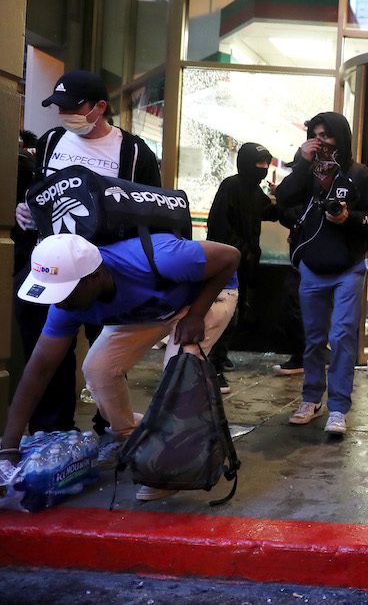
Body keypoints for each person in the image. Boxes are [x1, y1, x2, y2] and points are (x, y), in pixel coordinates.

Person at [0, 233, 239, 500]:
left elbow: (230, 256)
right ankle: (133, 440)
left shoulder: (162, 257)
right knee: (98, 369)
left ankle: (173, 466)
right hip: (152, 309)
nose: (60, 303)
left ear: (96, 276)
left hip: (205, 298)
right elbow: (40, 368)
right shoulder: (66, 306)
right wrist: (9, 448)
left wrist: (196, 314)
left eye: (66, 293)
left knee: (180, 369)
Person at [13, 70, 162, 436]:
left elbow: (153, 211)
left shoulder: (134, 152)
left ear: (99, 107)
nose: (64, 114)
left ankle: (111, 421)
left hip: (106, 273)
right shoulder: (50, 142)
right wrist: (24, 212)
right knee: (46, 348)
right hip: (50, 267)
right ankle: (52, 429)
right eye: (58, 107)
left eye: (72, 107)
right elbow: (39, 196)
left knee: (107, 355)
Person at [275, 112, 368, 435]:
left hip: (349, 267)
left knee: (342, 337)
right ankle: (311, 399)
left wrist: (348, 217)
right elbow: (282, 199)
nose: (321, 141)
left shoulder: (359, 175)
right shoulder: (307, 172)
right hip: (312, 266)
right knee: (314, 339)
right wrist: (301, 162)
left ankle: (337, 407)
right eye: (315, 135)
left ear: (341, 137)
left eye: (327, 135)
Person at [205, 142, 279, 390]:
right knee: (225, 315)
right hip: (226, 265)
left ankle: (219, 357)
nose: (264, 168)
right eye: (259, 163)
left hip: (243, 265)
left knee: (235, 313)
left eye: (266, 164)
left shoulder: (253, 190)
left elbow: (269, 211)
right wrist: (240, 251)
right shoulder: (231, 186)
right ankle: (212, 367)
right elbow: (219, 226)